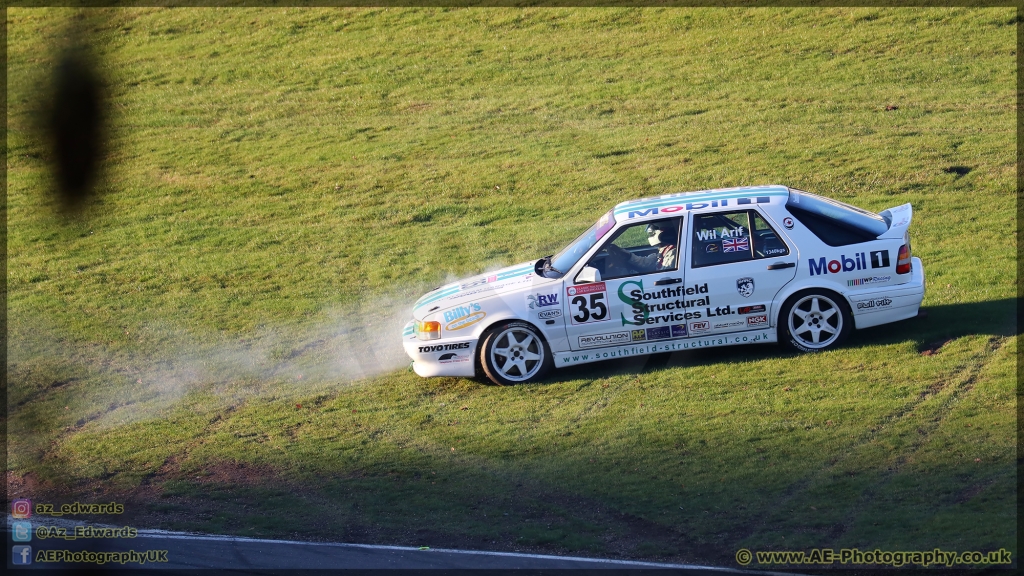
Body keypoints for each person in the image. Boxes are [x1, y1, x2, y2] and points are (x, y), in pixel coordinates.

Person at [605, 222, 678, 274]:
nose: (650, 235)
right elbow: (645, 262)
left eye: (652, 233)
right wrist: (627, 255)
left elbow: (664, 276)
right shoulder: (664, 250)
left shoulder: (673, 253)